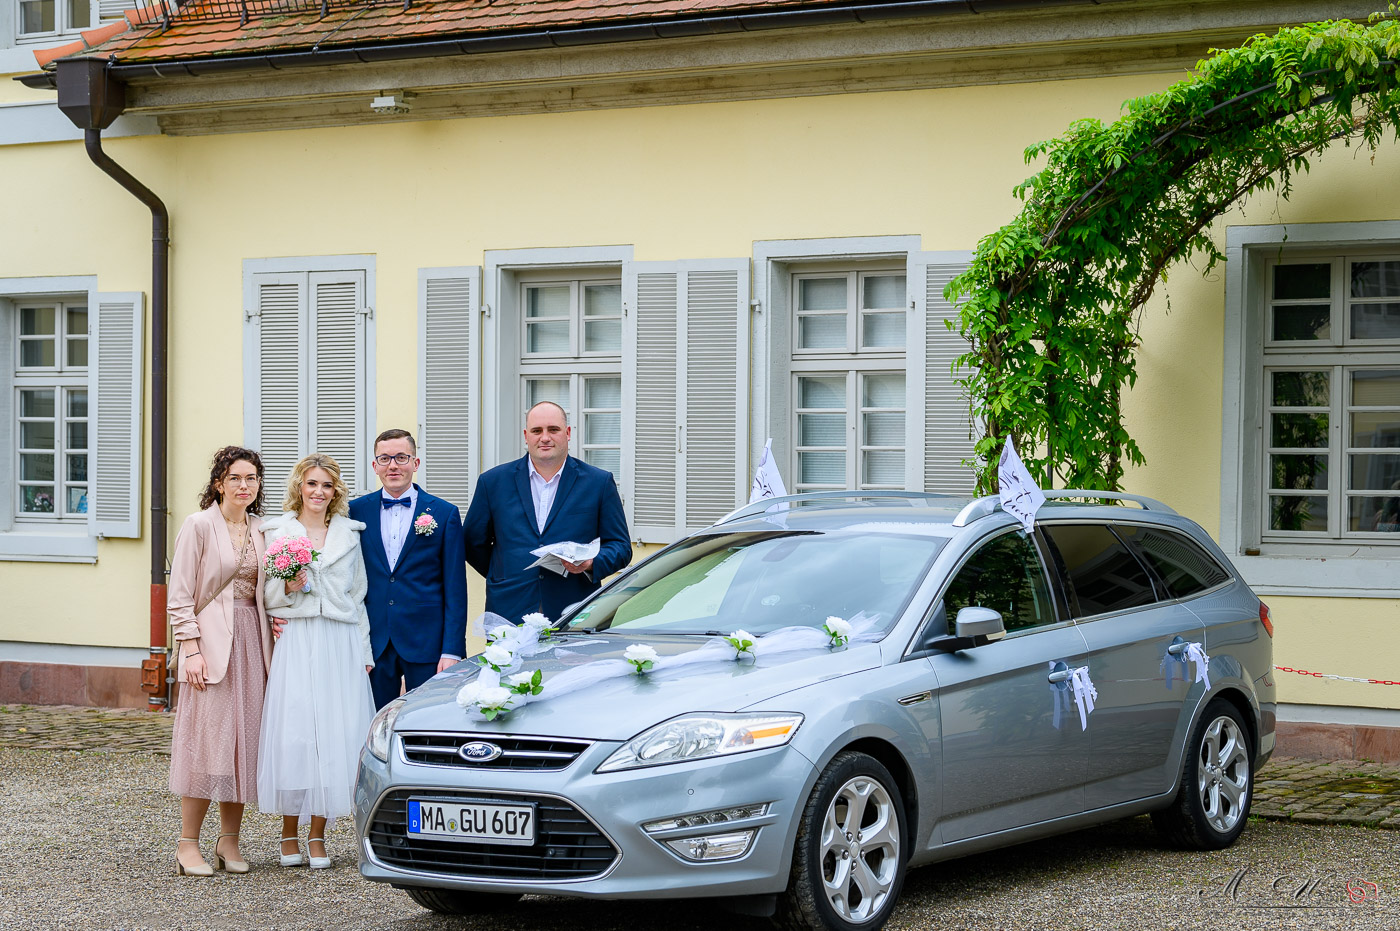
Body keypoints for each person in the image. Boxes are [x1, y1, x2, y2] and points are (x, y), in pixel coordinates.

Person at [258, 453, 375, 869]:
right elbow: (267, 598)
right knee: (296, 732)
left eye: (326, 485)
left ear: (335, 491)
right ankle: (289, 831)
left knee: (335, 733)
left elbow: (358, 597)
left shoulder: (349, 534)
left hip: (339, 640)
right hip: (298, 636)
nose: (318, 492)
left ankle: (318, 835)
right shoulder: (279, 532)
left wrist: (363, 654)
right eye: (311, 484)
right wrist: (289, 586)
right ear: (299, 487)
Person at [167, 446, 274, 877]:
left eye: (251, 478)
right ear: (219, 483)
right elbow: (179, 597)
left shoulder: (264, 528)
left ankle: (229, 842)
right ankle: (187, 844)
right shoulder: (198, 526)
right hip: (210, 645)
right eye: (235, 478)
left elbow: (269, 591)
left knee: (242, 745)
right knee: (207, 745)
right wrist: (189, 649)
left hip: (254, 643)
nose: (244, 486)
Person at [465, 401, 632, 624]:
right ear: (526, 435)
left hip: (575, 612)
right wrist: (504, 573)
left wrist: (591, 563)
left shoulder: (598, 483)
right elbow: (472, 542)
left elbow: (620, 547)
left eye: (553, 429)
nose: (545, 437)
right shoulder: (493, 482)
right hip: (509, 610)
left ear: (568, 433)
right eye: (537, 431)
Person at [349, 429, 469, 710]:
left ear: (415, 463)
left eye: (401, 457)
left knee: (427, 719)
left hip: (426, 642)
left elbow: (455, 587)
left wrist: (452, 648)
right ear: (374, 466)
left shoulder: (443, 513)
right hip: (373, 642)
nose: (393, 465)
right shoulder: (355, 511)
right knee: (373, 720)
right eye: (385, 458)